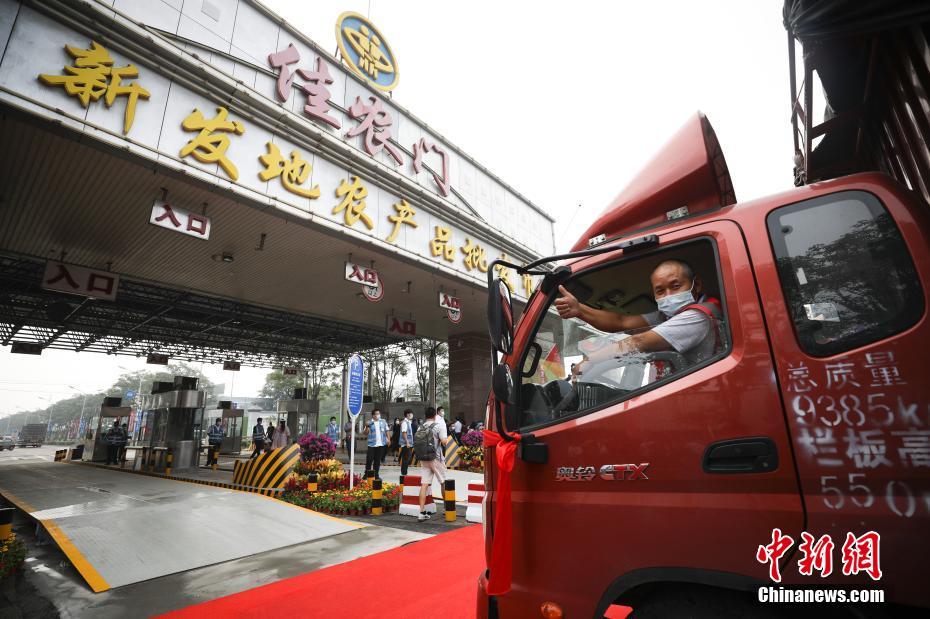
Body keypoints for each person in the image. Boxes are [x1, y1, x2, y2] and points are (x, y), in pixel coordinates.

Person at [556, 259, 721, 375]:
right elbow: (621, 322)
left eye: (675, 286)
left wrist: (591, 360)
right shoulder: (667, 315)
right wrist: (580, 310)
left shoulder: (699, 316)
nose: (668, 295)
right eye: (660, 291)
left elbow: (639, 342)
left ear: (696, 285)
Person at [417, 406, 451, 522]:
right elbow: (444, 442)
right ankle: (448, 509)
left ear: (426, 416)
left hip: (423, 459)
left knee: (424, 484)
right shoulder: (438, 426)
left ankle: (421, 512)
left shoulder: (420, 427)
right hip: (435, 458)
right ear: (435, 415)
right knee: (443, 482)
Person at [363, 408, 390, 479]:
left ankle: (376, 475)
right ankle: (366, 474)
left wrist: (388, 439)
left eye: (379, 413)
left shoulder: (383, 421)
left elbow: (387, 431)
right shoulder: (369, 422)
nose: (378, 415)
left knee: (377, 461)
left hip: (381, 444)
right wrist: (367, 427)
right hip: (372, 445)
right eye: (376, 414)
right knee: (369, 460)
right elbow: (365, 433)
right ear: (373, 415)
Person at [399, 409, 414, 476]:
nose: (411, 415)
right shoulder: (405, 422)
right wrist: (407, 442)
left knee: (407, 458)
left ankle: (404, 472)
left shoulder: (408, 422)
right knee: (406, 459)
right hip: (406, 444)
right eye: (410, 414)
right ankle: (404, 473)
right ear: (407, 415)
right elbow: (404, 433)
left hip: (409, 443)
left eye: (411, 413)